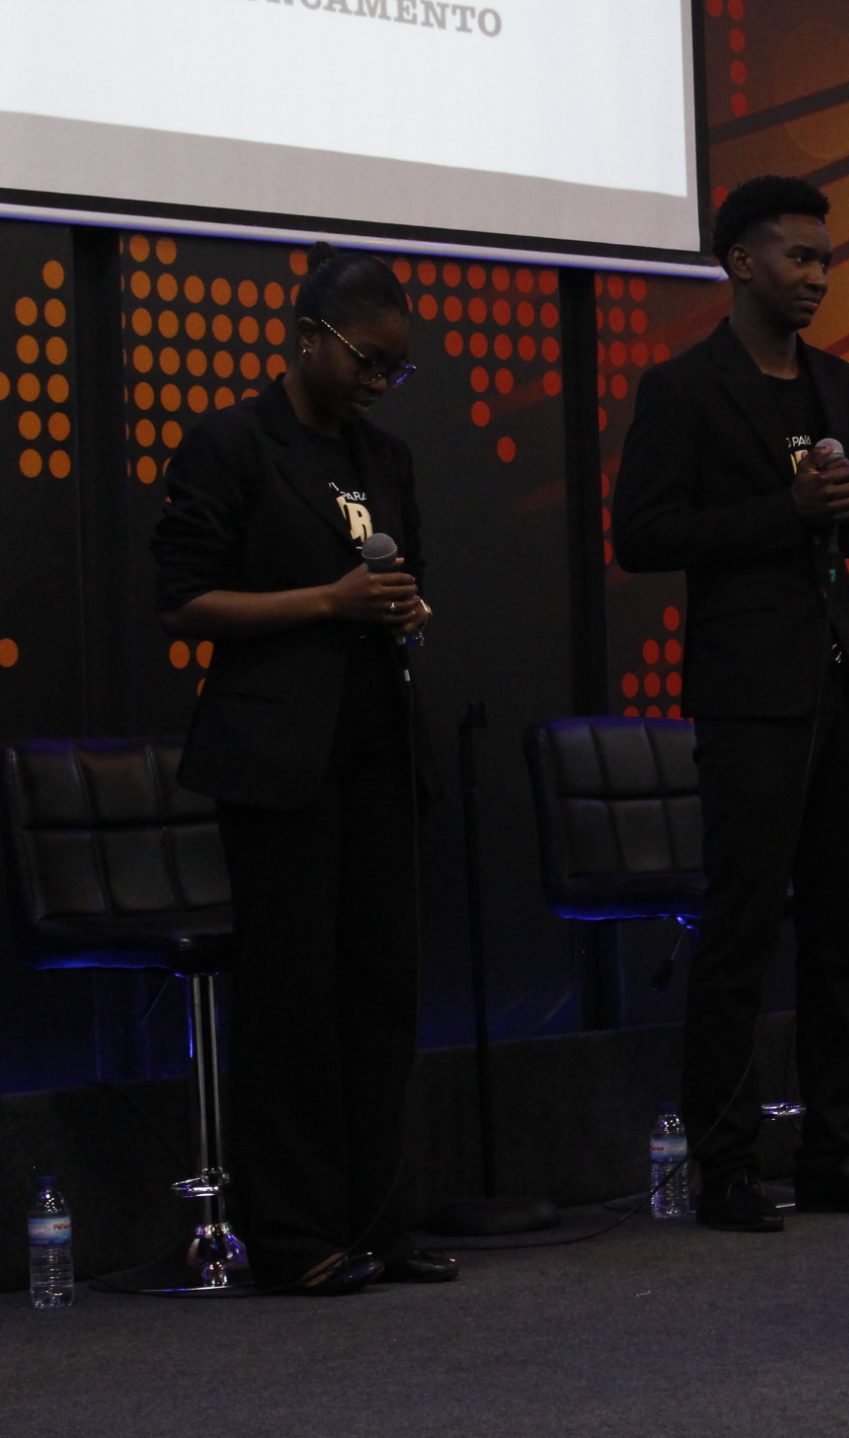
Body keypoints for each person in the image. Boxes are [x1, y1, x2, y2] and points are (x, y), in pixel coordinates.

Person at [615, 175, 849, 1232]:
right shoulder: (683, 388)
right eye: (797, 257)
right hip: (747, 689)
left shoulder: (836, 381)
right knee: (743, 928)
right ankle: (725, 1165)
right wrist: (782, 509)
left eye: (825, 260)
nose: (816, 277)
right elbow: (642, 535)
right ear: (738, 261)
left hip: (839, 678)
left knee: (843, 924)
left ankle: (834, 1151)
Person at [152, 245, 450, 1295]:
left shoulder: (387, 459)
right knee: (291, 1000)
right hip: (277, 760)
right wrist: (329, 602)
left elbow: (405, 577)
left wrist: (404, 607)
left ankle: (381, 1220)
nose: (379, 382)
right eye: (366, 361)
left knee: (382, 989)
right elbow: (182, 602)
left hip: (379, 749)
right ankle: (292, 1236)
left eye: (395, 369)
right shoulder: (233, 443)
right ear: (308, 337)